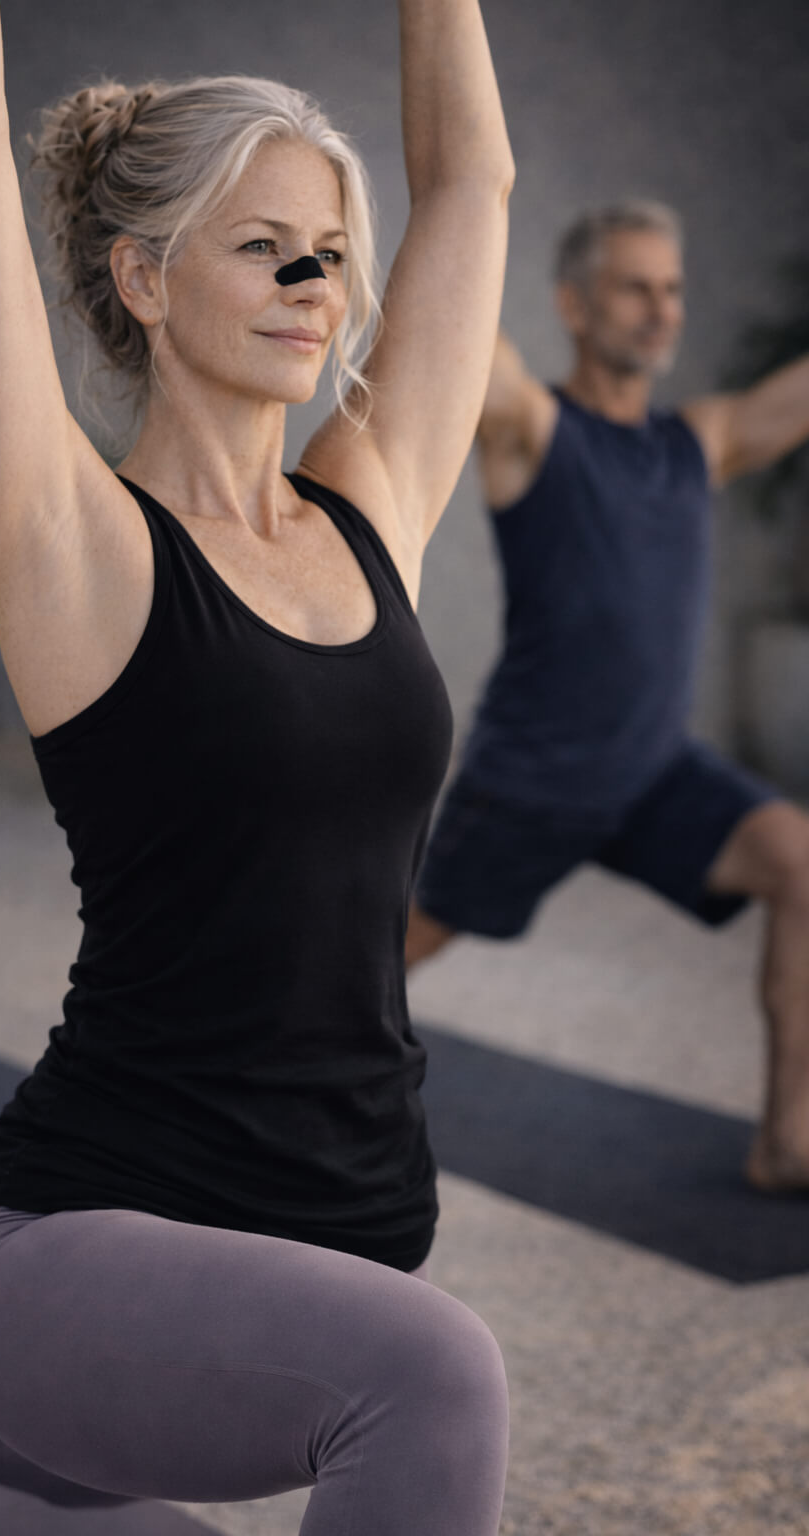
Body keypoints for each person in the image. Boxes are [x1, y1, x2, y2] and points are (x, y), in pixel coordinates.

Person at [0, 0, 516, 1529]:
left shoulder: (370, 506)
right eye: (263, 246)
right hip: (74, 1245)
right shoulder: (79, 547)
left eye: (327, 246)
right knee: (438, 1381)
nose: (316, 281)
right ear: (144, 275)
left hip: (321, 1256)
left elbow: (469, 188)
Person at [406, 200, 809, 1193]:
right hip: (531, 778)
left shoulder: (697, 441)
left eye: (670, 289)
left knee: (803, 864)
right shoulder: (530, 432)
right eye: (635, 287)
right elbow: (454, 324)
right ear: (574, 307)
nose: (660, 310)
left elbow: (789, 402)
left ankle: (787, 1141)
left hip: (655, 773)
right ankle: (212, 1096)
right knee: (357, 974)